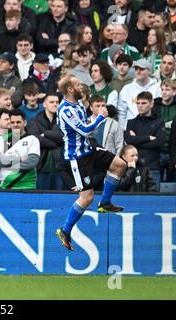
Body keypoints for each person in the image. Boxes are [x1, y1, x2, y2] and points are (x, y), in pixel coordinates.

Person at [55, 75, 127, 251]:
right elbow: (85, 130)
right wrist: (100, 117)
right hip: (78, 157)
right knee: (86, 197)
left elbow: (85, 126)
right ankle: (65, 230)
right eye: (78, 84)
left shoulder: (77, 104)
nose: (81, 86)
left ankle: (105, 203)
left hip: (89, 149)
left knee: (120, 165)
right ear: (70, 89)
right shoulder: (65, 110)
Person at [124, 91, 165, 189]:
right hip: (134, 167)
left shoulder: (159, 122)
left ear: (151, 104)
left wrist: (136, 140)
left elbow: (159, 143)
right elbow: (129, 140)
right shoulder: (131, 122)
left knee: (154, 201)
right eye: (138, 103)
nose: (140, 106)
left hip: (153, 167)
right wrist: (148, 138)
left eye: (143, 103)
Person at [0, 108, 40, 190]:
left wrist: (5, 163)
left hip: (27, 186)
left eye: (18, 122)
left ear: (24, 123)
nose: (15, 125)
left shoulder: (32, 139)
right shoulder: (3, 138)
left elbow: (32, 162)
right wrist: (19, 158)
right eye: (12, 122)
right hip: (5, 185)